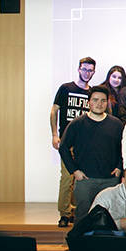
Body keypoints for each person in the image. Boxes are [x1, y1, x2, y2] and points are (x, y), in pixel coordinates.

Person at [59, 85, 124, 223]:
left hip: (110, 180)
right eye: (95, 100)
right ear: (88, 102)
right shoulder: (77, 124)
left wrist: (119, 167)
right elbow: (63, 147)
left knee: (110, 218)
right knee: (82, 217)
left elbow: (123, 149)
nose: (99, 104)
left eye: (103, 100)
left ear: (107, 102)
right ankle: (79, 245)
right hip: (85, 180)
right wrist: (74, 170)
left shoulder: (117, 124)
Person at [51, 56, 96, 227]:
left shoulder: (92, 93)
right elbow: (54, 111)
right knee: (66, 178)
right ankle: (64, 213)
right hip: (67, 142)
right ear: (78, 69)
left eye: (90, 70)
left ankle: (76, 212)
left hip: (85, 144)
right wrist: (55, 134)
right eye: (84, 69)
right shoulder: (66, 88)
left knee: (81, 180)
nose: (87, 72)